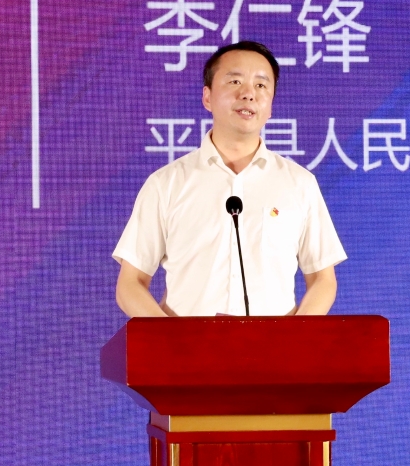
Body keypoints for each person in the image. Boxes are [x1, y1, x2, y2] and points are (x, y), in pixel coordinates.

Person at [112, 41, 346, 317]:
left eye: (261, 85)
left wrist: (293, 338)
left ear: (270, 105)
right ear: (207, 97)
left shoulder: (299, 184)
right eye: (235, 81)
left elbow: (322, 279)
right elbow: (130, 283)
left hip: (274, 345)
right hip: (188, 344)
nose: (248, 94)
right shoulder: (166, 184)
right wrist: (170, 338)